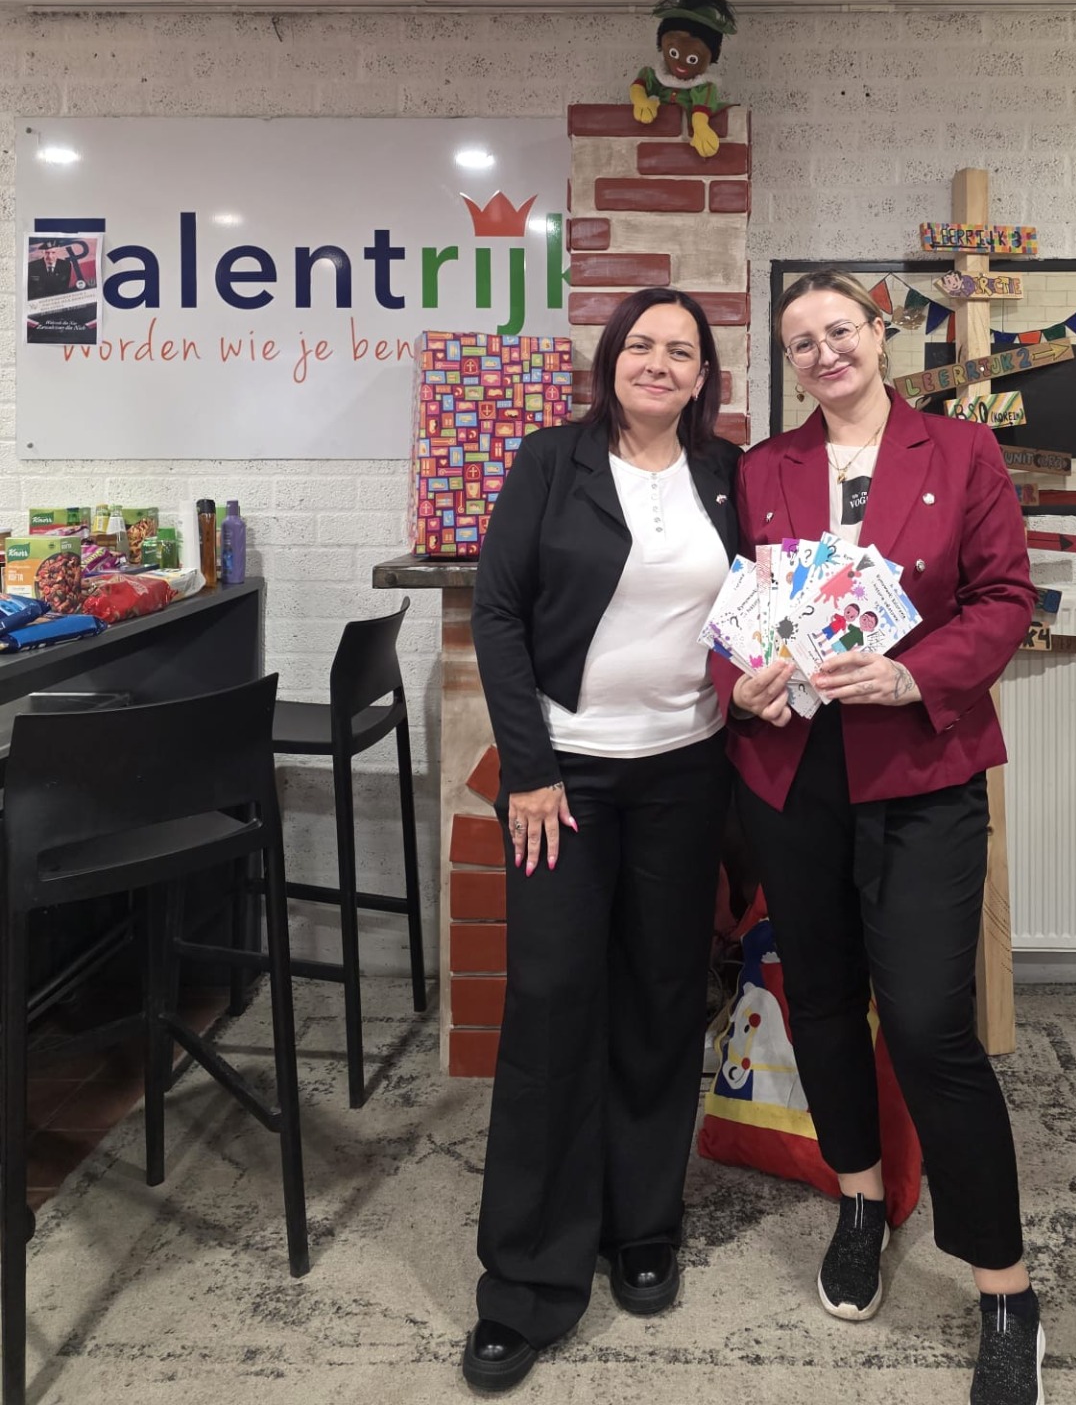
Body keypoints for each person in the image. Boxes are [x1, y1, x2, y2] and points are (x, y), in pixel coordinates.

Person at [721, 270, 1044, 1405]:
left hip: (920, 773)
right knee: (818, 999)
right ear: (789, 363)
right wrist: (737, 683)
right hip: (792, 774)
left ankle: (1005, 1289)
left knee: (926, 1024)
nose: (824, 353)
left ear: (879, 335)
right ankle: (859, 1198)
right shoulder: (763, 470)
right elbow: (731, 613)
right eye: (800, 342)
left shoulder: (960, 451)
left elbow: (1005, 600)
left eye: (840, 331)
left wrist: (913, 676)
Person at [464, 287, 739, 1393]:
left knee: (664, 998)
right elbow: (496, 612)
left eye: (682, 351)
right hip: (565, 781)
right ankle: (526, 1279)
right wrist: (528, 769)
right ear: (612, 359)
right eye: (642, 345)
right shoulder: (551, 462)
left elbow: (762, 608)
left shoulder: (725, 474)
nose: (659, 363)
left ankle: (642, 1227)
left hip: (687, 771)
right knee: (551, 1004)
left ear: (704, 374)